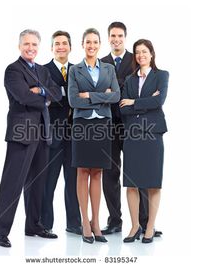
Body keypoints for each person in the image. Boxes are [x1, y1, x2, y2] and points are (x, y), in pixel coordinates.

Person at [0, 29, 62, 247]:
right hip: (21, 133)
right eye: (26, 44)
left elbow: (57, 93)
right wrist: (45, 96)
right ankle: (0, 231)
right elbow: (22, 96)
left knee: (37, 183)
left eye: (34, 44)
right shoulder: (13, 70)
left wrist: (39, 91)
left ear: (39, 47)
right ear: (19, 46)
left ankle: (33, 225)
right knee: (12, 183)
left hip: (42, 133)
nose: (30, 48)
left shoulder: (42, 70)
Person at [68, 28, 120, 244]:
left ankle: (96, 222)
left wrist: (89, 95)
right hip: (81, 124)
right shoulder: (75, 70)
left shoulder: (108, 68)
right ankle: (85, 224)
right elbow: (73, 100)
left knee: (97, 173)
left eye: (95, 42)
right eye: (88, 42)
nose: (91, 45)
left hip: (102, 125)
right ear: (83, 44)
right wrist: (102, 96)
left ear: (100, 45)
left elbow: (116, 95)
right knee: (82, 172)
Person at [101, 21, 153, 236]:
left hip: (133, 125)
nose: (116, 39)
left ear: (125, 37)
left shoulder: (137, 58)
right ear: (108, 37)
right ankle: (115, 220)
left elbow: (144, 87)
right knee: (110, 174)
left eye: (120, 36)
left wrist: (114, 87)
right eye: (113, 36)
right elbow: (97, 90)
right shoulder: (101, 61)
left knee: (138, 174)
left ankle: (144, 223)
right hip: (108, 126)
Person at [120, 39, 169, 243]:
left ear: (151, 54)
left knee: (152, 183)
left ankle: (150, 227)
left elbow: (159, 101)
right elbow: (122, 107)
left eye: (144, 51)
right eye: (137, 52)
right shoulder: (129, 80)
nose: (141, 55)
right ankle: (134, 226)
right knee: (131, 183)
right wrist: (143, 103)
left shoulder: (161, 75)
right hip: (132, 134)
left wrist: (135, 102)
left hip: (152, 133)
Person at [41, 31, 81, 235]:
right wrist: (69, 93)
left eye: (64, 43)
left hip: (75, 135)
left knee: (73, 180)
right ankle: (44, 223)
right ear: (52, 48)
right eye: (57, 44)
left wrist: (58, 92)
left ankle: (74, 223)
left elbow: (76, 97)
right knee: (49, 179)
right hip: (52, 134)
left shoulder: (78, 69)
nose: (61, 47)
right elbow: (47, 96)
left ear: (70, 47)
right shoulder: (42, 70)